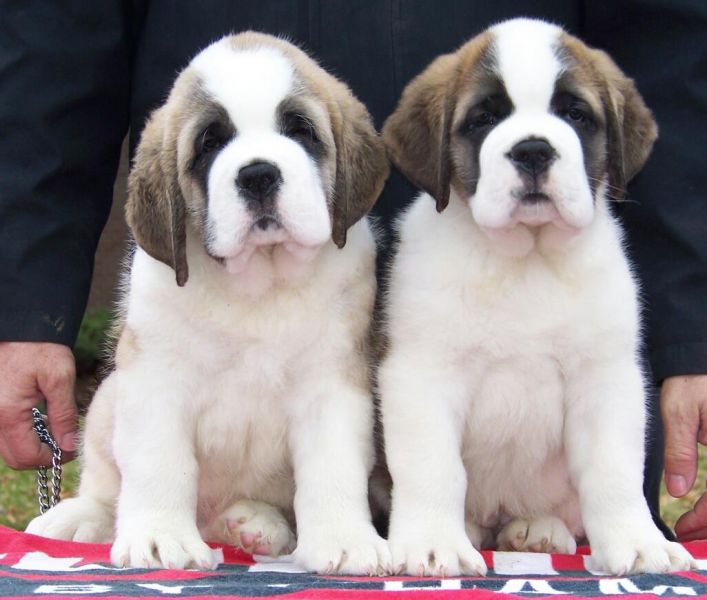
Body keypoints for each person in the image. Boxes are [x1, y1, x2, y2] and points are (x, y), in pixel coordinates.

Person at [0, 0, 705, 540]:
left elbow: (670, 46)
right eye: (213, 141)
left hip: (449, 242)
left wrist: (692, 335)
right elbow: (55, 45)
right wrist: (29, 303)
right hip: (259, 248)